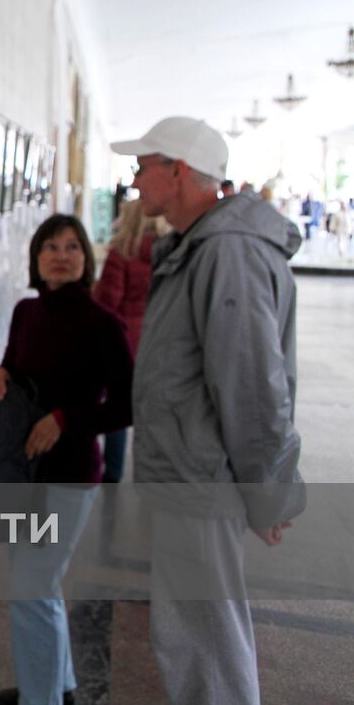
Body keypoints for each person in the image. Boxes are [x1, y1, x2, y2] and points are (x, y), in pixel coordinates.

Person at [111, 117, 304, 705]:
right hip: (188, 476)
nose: (135, 179)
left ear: (179, 171)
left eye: (143, 166)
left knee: (206, 641)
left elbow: (250, 385)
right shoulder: (203, 246)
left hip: (203, 480)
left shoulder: (227, 251)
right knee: (192, 636)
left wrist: (267, 491)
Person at [0, 214, 134, 705]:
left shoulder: (103, 325)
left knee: (33, 586)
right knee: (36, 584)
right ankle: (56, 684)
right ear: (36, 258)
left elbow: (126, 404)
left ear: (85, 259)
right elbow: (14, 362)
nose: (61, 255)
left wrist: (65, 420)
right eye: (50, 246)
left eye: (71, 246)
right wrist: (0, 375)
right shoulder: (27, 312)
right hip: (20, 472)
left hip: (69, 476)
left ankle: (40, 698)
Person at [92, 199, 169, 482]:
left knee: (118, 410)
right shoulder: (170, 252)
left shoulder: (122, 253)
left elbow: (108, 302)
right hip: (160, 340)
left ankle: (113, 474)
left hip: (124, 342)